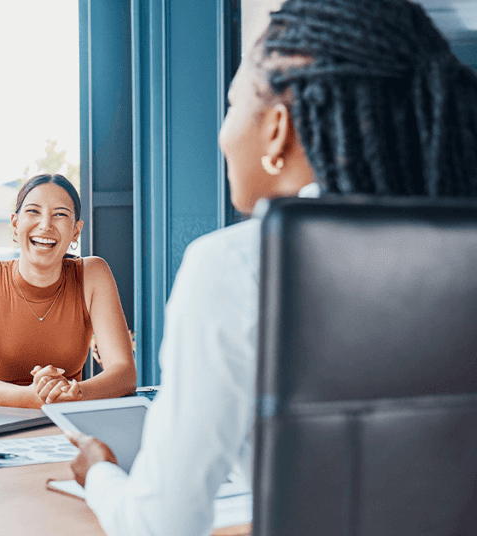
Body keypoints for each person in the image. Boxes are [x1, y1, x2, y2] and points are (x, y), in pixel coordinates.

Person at [67, 1, 477, 534]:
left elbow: (161, 523)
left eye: (232, 105)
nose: (222, 132)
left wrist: (98, 472)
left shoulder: (235, 267)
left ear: (278, 129)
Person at [0, 174, 137, 409]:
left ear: (76, 231)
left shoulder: (93, 274)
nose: (45, 225)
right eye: (34, 211)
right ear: (15, 224)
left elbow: (125, 374)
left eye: (60, 214)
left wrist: (73, 393)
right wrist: (35, 396)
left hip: (65, 425)